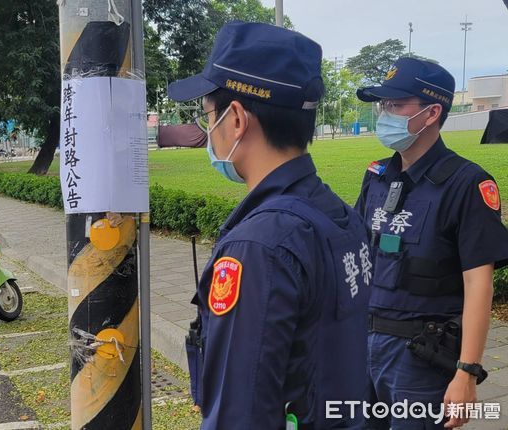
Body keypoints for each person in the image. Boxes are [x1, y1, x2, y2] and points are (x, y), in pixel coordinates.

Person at [168, 21, 371, 429]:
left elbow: (239, 414)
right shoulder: (339, 215)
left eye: (209, 114)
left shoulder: (259, 247)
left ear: (237, 119)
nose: (209, 130)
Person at [355, 57, 508, 429]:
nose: (385, 114)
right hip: (362, 346)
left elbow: (478, 283)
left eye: (395, 105)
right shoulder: (376, 177)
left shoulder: (466, 184)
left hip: (419, 359)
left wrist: (467, 372)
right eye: (383, 105)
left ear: (431, 112)